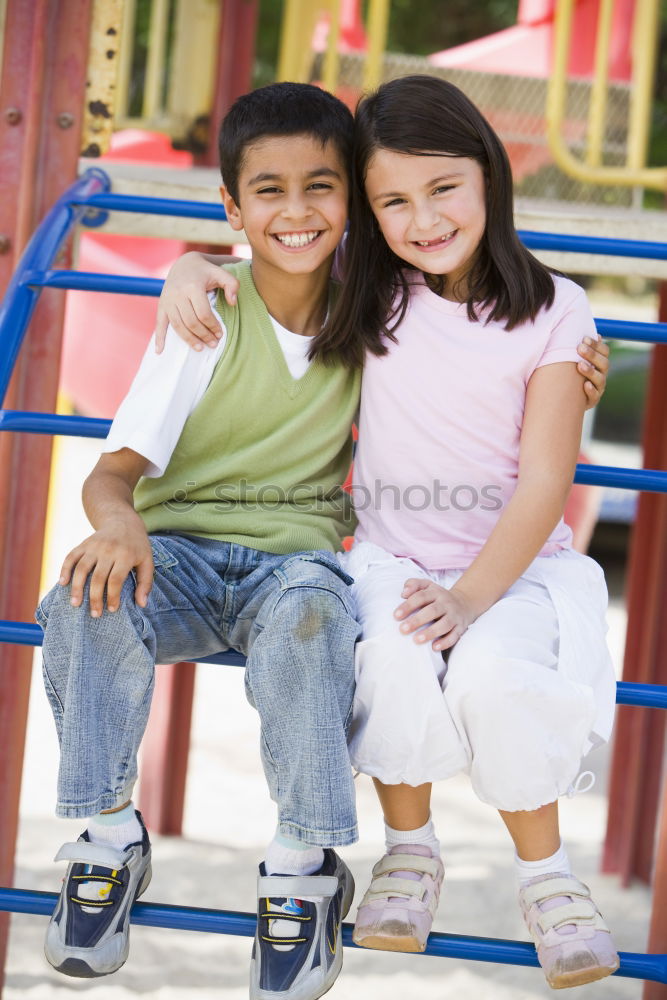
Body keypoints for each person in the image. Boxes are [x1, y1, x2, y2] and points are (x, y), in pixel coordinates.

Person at [156, 76, 616, 991]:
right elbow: (269, 272)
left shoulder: (555, 310)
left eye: (442, 188)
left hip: (513, 568)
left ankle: (546, 878)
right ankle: (411, 851)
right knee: (392, 658)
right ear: (367, 216)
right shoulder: (369, 290)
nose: (423, 218)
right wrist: (190, 266)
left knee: (491, 672)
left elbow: (543, 483)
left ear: (487, 174)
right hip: (393, 552)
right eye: (391, 202)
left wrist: (470, 599)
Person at [36, 82, 363, 1000]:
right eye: (268, 190)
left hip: (294, 562)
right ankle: (108, 841)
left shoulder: (379, 314)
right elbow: (111, 474)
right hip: (175, 552)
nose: (295, 211)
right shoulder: (206, 316)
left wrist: (567, 359)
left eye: (320, 187)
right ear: (232, 207)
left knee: (310, 617)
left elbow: (483, 326)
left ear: (352, 197)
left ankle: (302, 870)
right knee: (79, 600)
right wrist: (119, 526)